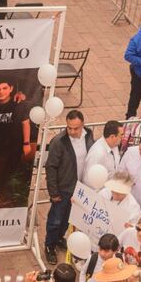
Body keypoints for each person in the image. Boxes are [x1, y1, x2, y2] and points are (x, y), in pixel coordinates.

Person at [44, 111, 94, 264]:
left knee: (68, 219)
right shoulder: (59, 141)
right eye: (69, 128)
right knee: (56, 219)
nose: (72, 131)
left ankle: (59, 238)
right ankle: (49, 246)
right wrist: (53, 192)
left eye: (76, 128)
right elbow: (51, 167)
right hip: (63, 188)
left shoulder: (89, 135)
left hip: (80, 188)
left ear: (83, 125)